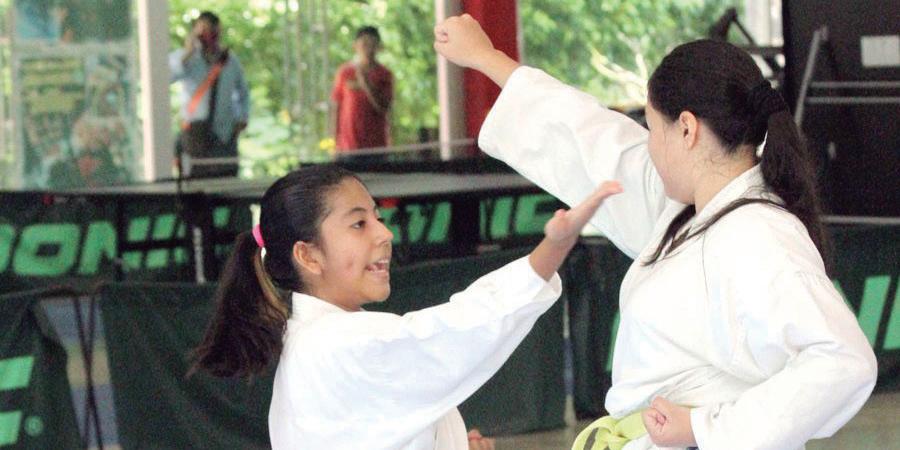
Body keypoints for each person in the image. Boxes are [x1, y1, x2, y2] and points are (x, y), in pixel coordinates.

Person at [433, 14, 877, 450]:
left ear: (686, 128)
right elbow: (595, 140)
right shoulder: (687, 211)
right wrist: (486, 58)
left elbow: (843, 361)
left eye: (651, 128)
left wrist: (704, 428)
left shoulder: (757, 234)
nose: (647, 144)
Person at [190, 164, 623, 449]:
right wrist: (554, 247)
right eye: (358, 223)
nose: (384, 234)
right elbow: (462, 328)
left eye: (377, 218)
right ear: (308, 255)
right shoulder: (338, 342)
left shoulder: (321, 338)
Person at [170, 11, 249, 178]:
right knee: (195, 182)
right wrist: (188, 52)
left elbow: (243, 92)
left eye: (212, 31)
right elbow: (167, 76)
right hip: (195, 134)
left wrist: (242, 117)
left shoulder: (229, 60)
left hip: (224, 133)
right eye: (203, 31)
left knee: (226, 179)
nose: (208, 36)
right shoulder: (188, 59)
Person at [331, 26, 394, 161]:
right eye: (364, 43)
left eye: (372, 44)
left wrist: (366, 83)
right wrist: (335, 143)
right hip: (348, 147)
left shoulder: (385, 74)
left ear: (379, 47)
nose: (368, 48)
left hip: (376, 148)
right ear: (355, 46)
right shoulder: (344, 72)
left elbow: (384, 107)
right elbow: (337, 108)